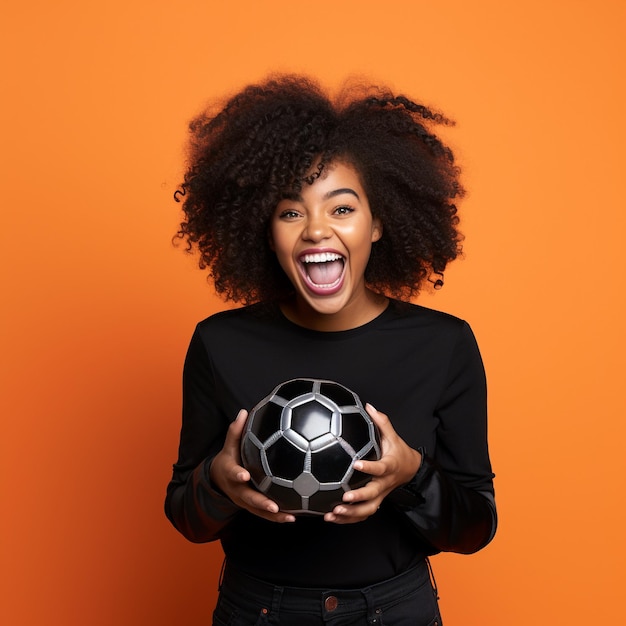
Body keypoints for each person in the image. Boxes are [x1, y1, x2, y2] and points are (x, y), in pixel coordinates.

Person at [165, 74, 496, 626]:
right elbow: (186, 516)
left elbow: (475, 529)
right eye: (291, 212)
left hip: (396, 611)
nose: (317, 230)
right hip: (257, 611)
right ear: (266, 233)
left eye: (341, 209)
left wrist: (410, 475)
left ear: (378, 224)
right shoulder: (220, 344)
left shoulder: (443, 345)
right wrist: (216, 484)